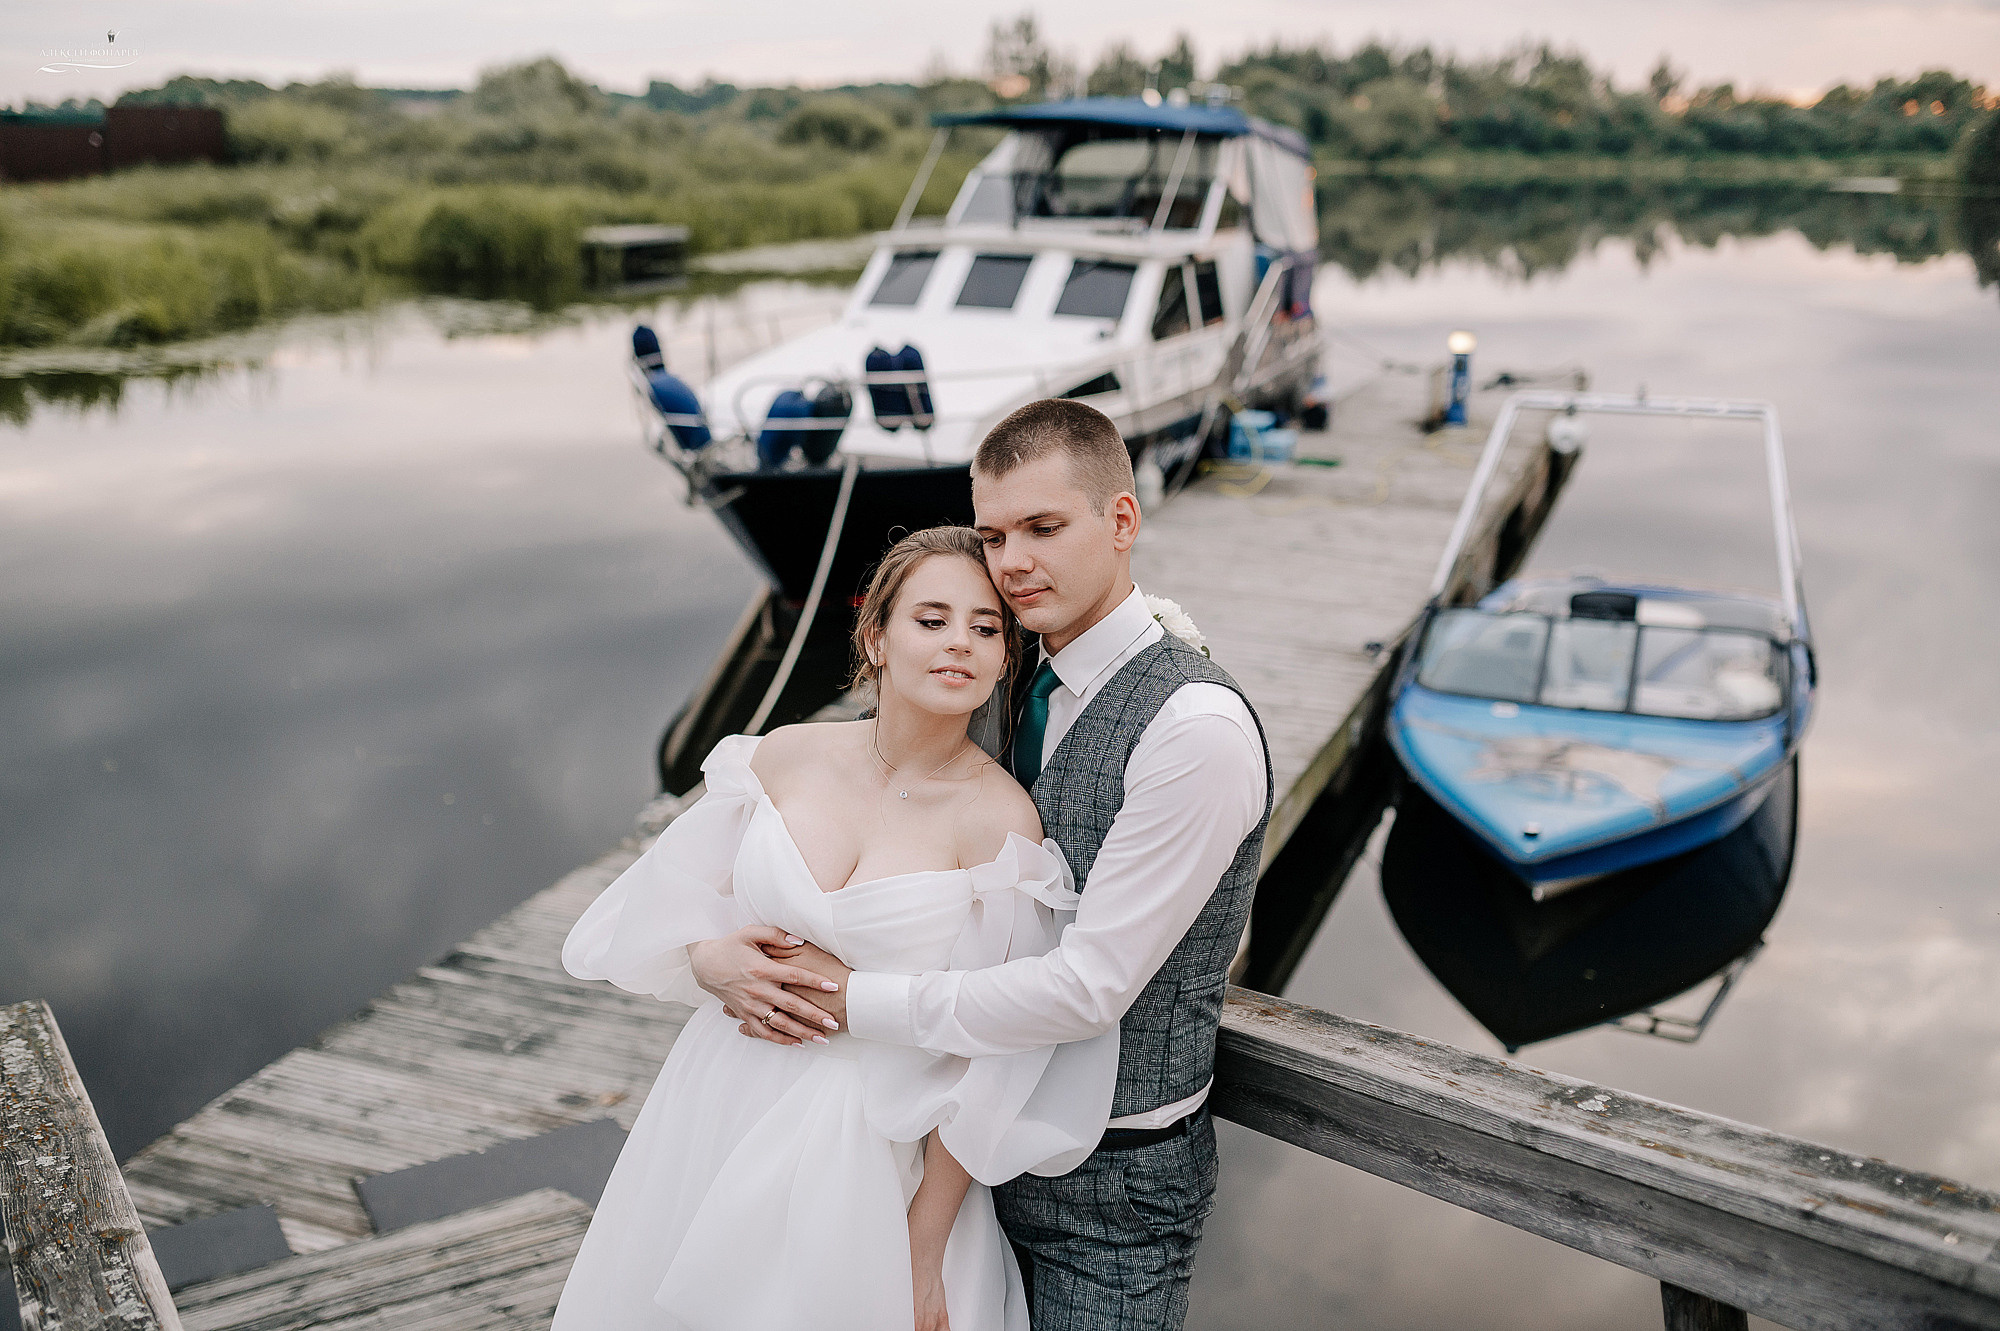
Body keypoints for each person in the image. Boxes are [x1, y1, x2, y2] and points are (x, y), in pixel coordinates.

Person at [696, 398, 1273, 1330]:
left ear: (1122, 520)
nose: (1011, 563)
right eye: (996, 534)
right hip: (948, 1157)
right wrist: (713, 952)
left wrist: (847, 999)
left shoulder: (1192, 729)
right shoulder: (1012, 671)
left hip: (1105, 1192)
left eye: (1044, 527)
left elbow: (1088, 987)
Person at [553, 526, 1119, 1331]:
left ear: (1004, 660)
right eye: (932, 619)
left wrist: (923, 1245)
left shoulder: (1000, 823)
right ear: (876, 638)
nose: (960, 641)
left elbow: (998, 1056)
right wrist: (708, 956)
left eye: (986, 627)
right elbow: (664, 893)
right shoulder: (785, 756)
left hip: (867, 1146)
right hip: (721, 1092)